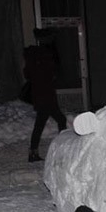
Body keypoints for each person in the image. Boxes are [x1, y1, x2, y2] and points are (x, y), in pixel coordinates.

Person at [24, 28, 67, 162]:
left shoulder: (34, 55)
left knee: (45, 123)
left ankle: (34, 152)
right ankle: (62, 149)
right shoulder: (45, 55)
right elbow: (51, 74)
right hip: (46, 96)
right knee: (57, 121)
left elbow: (28, 74)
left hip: (41, 95)